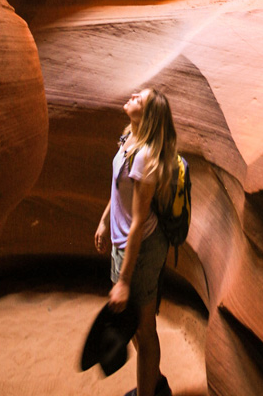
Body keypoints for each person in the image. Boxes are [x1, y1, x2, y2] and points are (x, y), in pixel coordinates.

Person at [95, 88, 176, 396]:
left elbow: (139, 222)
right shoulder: (127, 138)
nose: (131, 95)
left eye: (139, 99)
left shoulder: (145, 157)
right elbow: (119, 190)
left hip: (140, 249)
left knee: (144, 329)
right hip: (122, 242)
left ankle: (149, 392)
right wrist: (105, 220)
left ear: (148, 117)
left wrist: (125, 281)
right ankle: (154, 383)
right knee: (133, 326)